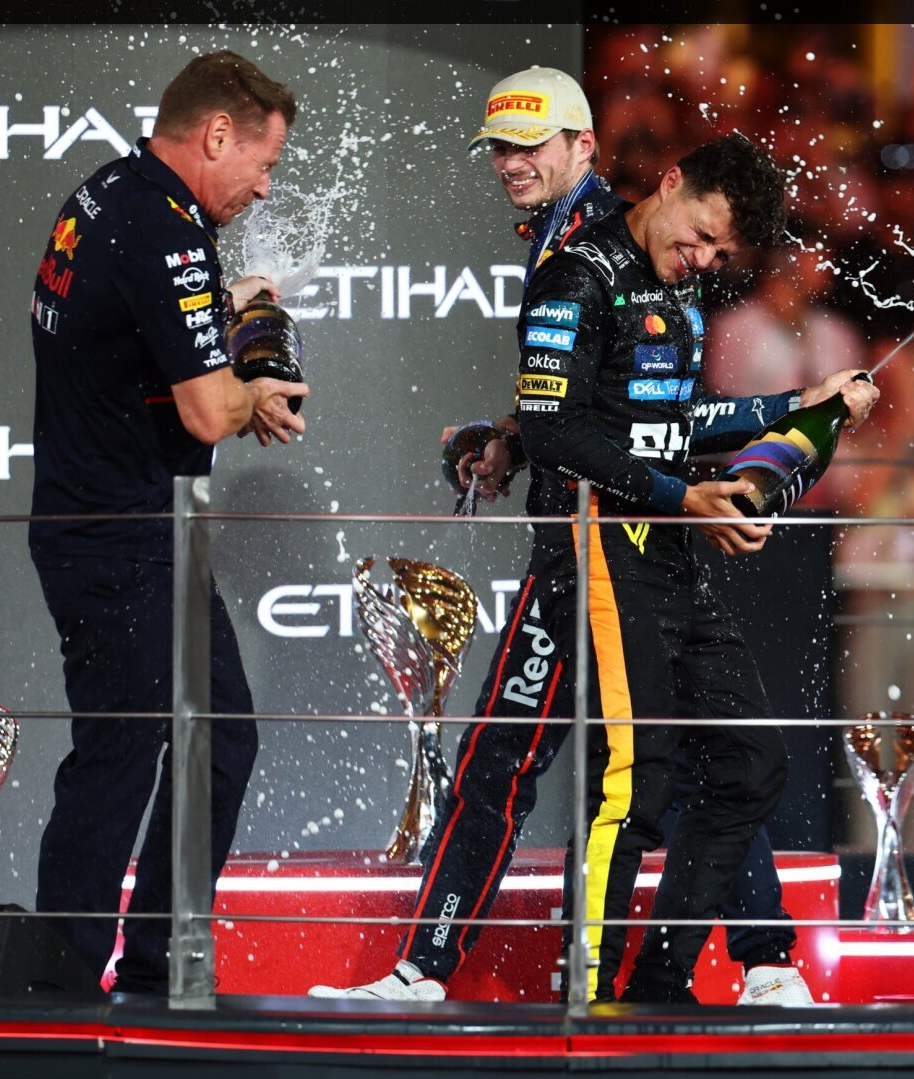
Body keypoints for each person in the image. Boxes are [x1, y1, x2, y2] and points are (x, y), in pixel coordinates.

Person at [311, 71, 856, 1007]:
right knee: (641, 757)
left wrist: (776, 417)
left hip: (606, 545)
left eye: (533, 146)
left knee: (640, 761)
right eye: (500, 147)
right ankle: (733, 962)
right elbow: (589, 412)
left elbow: (623, 420)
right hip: (597, 545)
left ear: (584, 148)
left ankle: (671, 970)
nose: (513, 163)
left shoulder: (613, 247)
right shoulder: (585, 245)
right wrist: (514, 439)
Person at [28, 51, 308, 994]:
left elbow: (143, 326)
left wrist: (235, 317)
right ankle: (61, 989)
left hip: (133, 529)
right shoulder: (164, 228)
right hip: (120, 538)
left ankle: (157, 968)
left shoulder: (114, 191)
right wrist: (257, 387)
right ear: (217, 135)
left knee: (220, 743)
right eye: (263, 166)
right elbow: (206, 410)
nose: (264, 189)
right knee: (119, 755)